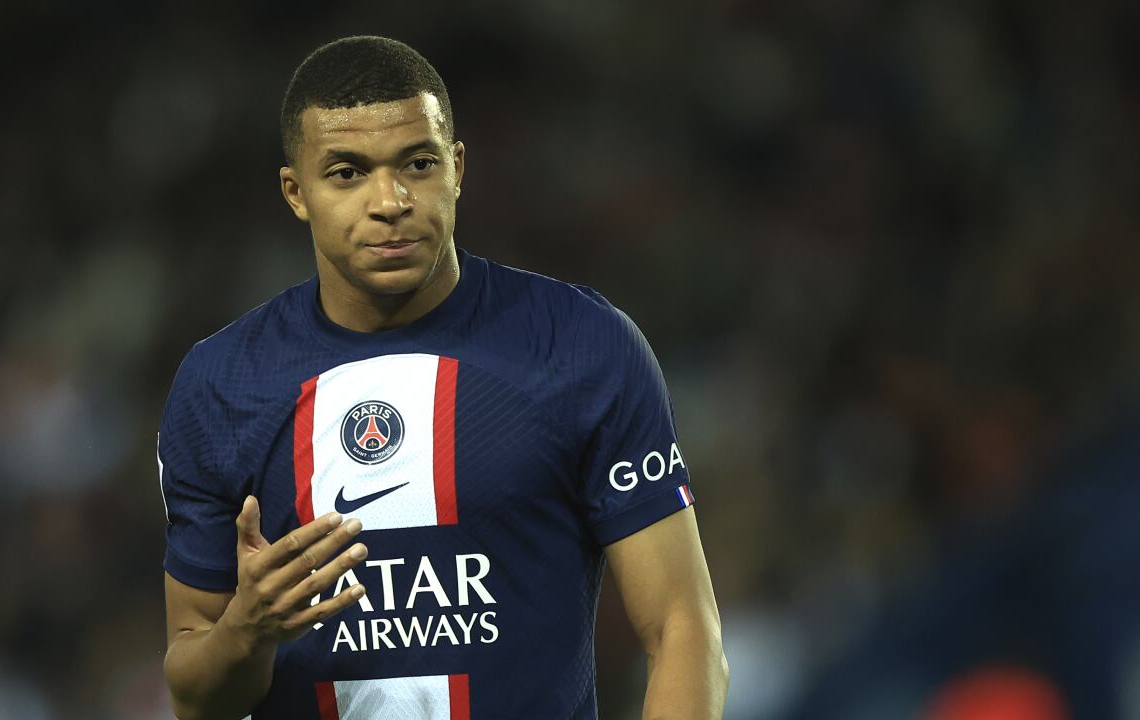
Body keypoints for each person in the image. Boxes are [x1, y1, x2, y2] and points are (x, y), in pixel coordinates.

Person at [159, 35, 728, 720]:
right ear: (296, 191)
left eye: (418, 164)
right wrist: (243, 634)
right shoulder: (221, 383)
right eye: (347, 172)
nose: (390, 200)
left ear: (456, 169)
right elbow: (196, 696)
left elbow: (682, 631)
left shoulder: (581, 346)